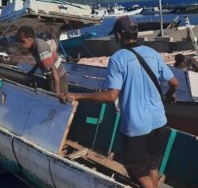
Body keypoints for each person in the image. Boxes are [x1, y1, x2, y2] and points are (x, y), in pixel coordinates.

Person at [60, 16, 178, 188]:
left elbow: (110, 96)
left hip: (136, 126)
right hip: (159, 121)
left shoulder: (118, 58)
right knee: (152, 166)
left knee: (135, 168)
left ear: (118, 35)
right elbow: (174, 82)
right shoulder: (152, 53)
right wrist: (171, 94)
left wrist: (77, 96)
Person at [16, 26, 68, 95]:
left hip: (58, 77)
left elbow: (54, 70)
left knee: (59, 100)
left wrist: (57, 93)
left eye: (22, 41)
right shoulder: (33, 46)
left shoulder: (41, 49)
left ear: (30, 38)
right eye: (19, 41)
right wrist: (32, 71)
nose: (21, 44)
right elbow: (39, 61)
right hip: (50, 76)